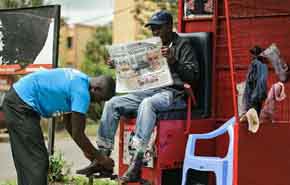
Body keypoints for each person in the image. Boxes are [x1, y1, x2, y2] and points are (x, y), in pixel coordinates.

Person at [78, 10, 200, 183]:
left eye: (158, 28)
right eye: (153, 29)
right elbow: (139, 72)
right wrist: (119, 65)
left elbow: (193, 77)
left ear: (169, 26)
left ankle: (137, 161)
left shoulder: (183, 45)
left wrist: (175, 62)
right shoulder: (152, 46)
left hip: (174, 93)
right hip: (150, 89)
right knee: (113, 103)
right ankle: (102, 158)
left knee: (147, 104)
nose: (155, 33)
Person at [2, 68, 115, 185]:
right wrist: (102, 158)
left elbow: (69, 126)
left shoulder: (80, 79)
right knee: (37, 161)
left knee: (28, 160)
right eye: (100, 99)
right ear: (96, 89)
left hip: (18, 100)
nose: (96, 103)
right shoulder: (82, 92)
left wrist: (88, 152)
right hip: (20, 106)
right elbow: (78, 133)